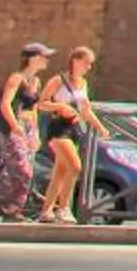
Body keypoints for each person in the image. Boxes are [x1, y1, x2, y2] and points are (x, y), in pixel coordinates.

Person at [35, 45, 106, 225]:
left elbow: (86, 110)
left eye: (91, 64)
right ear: (75, 61)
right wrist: (60, 106)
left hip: (74, 128)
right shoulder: (58, 80)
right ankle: (64, 208)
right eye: (86, 63)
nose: (88, 67)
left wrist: (99, 127)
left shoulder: (83, 84)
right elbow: (41, 103)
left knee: (60, 172)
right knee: (75, 167)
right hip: (59, 128)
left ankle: (46, 211)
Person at [0, 43, 49, 220]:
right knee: (23, 170)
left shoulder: (36, 82)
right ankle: (9, 206)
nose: (46, 60)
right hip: (12, 126)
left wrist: (36, 133)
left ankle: (3, 203)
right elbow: (5, 103)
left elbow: (34, 109)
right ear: (31, 59)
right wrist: (15, 126)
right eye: (43, 56)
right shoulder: (16, 78)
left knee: (23, 167)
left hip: (28, 127)